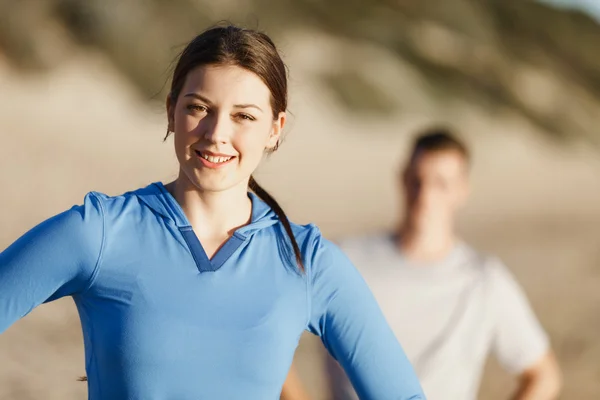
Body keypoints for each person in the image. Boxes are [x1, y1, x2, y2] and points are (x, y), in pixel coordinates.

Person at [0, 25, 425, 400]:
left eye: (244, 116)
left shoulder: (308, 262)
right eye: (198, 108)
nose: (217, 134)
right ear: (171, 110)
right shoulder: (99, 234)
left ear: (275, 130)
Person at [310, 129, 561, 399]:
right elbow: (266, 317)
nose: (425, 195)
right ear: (402, 179)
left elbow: (543, 376)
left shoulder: (484, 280)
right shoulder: (343, 259)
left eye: (441, 183)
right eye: (418, 180)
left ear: (462, 191)